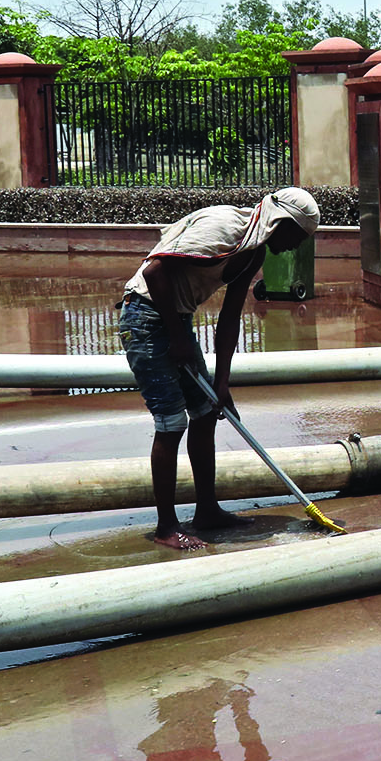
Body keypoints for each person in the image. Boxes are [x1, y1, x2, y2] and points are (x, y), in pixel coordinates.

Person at [119, 187, 320, 550]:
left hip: (176, 319)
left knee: (206, 412)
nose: (296, 246)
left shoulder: (253, 252)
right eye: (298, 236)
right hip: (146, 316)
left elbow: (229, 317)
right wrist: (176, 337)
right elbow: (154, 271)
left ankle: (207, 510)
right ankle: (166, 527)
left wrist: (222, 383)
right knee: (171, 422)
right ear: (282, 223)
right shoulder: (224, 228)